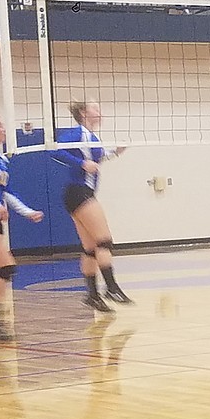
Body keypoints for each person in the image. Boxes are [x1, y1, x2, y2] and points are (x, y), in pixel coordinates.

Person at [55, 101, 132, 312]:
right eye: (95, 108)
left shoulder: (92, 137)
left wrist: (115, 152)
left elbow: (95, 160)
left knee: (90, 249)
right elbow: (55, 149)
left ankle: (92, 295)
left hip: (78, 193)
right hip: (79, 192)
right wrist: (80, 164)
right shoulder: (78, 132)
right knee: (104, 241)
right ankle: (111, 287)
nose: (100, 112)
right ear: (83, 113)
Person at [0, 113, 44, 340]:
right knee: (6, 267)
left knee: (2, 270)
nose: (4, 129)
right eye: (0, 125)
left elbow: (7, 192)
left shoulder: (0, 159)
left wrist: (27, 211)